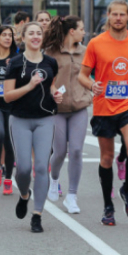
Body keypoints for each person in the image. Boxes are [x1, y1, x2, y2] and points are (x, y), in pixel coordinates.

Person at [77, 0, 128, 227]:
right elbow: (82, 74)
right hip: (104, 106)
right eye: (114, 14)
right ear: (108, 16)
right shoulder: (96, 44)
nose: (118, 18)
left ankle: (127, 189)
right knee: (107, 158)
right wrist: (92, 86)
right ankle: (108, 207)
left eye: (122, 14)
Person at [3, 22, 62, 233]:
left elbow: (52, 84)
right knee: (25, 168)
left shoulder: (51, 62)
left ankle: (37, 215)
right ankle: (24, 195)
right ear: (24, 37)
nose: (36, 37)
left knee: (40, 167)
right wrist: (29, 86)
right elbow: (7, 96)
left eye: (39, 33)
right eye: (32, 33)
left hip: (45, 118)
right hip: (20, 118)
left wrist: (56, 93)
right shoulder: (16, 63)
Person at [43, 16, 91, 214]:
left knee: (77, 151)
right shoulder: (51, 52)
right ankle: (54, 180)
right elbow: (47, 80)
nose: (84, 32)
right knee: (60, 151)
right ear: (72, 31)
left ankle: (72, 196)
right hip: (58, 110)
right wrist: (53, 91)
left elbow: (89, 75)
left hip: (79, 107)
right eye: (81, 28)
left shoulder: (85, 51)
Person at [0, 26, 18, 195]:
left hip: (12, 104)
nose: (7, 38)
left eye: (10, 35)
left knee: (10, 141)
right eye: (4, 35)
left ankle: (8, 177)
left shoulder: (17, 57)